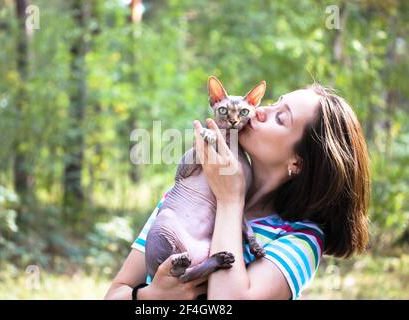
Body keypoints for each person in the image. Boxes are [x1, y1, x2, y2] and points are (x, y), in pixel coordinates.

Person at [104, 83, 370, 300]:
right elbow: (115, 293)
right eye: (274, 102)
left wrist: (230, 200)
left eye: (280, 117)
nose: (259, 112)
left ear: (297, 163)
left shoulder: (300, 238)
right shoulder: (187, 194)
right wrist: (149, 298)